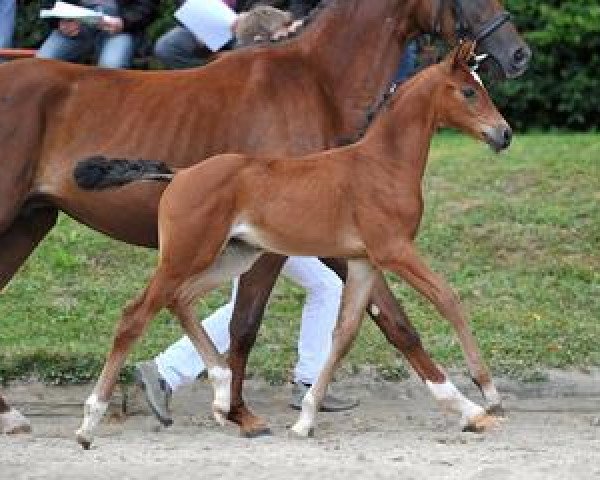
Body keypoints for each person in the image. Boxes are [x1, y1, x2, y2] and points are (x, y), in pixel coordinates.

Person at [135, 255, 359, 426]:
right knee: (243, 308)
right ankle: (165, 371)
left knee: (326, 285)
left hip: (279, 221)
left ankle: (310, 382)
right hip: (263, 221)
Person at [36, 0, 158, 68]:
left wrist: (124, 22)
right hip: (75, 21)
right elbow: (49, 3)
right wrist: (59, 22)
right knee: (41, 63)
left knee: (111, 68)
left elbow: (147, 5)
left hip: (119, 25)